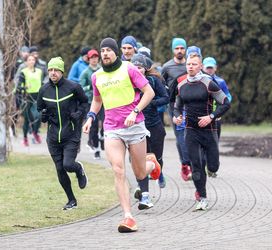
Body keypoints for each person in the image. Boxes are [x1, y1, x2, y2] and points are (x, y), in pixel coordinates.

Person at [82, 38, 161, 233]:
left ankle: (152, 164)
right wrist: (91, 117)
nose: (105, 53)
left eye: (109, 50)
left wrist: (135, 112)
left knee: (140, 173)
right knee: (118, 170)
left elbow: (149, 92)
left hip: (134, 127)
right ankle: (128, 216)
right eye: (103, 50)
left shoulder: (129, 69)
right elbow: (97, 100)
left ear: (116, 52)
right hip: (112, 129)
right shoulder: (96, 76)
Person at [174, 53, 230, 211]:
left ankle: (211, 169)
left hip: (209, 130)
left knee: (213, 166)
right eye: (188, 64)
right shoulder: (181, 85)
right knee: (196, 165)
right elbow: (177, 106)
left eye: (193, 64)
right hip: (191, 131)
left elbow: (225, 103)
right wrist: (176, 116)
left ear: (200, 66)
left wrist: (211, 116)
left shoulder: (209, 83)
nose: (190, 66)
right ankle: (202, 197)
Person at [37, 57, 88, 210]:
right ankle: (71, 200)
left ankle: (78, 169)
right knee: (60, 169)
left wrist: (79, 114)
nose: (53, 73)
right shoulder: (44, 90)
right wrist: (43, 116)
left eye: (56, 70)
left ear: (62, 71)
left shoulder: (73, 87)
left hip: (71, 133)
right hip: (53, 136)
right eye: (50, 70)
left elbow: (84, 102)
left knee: (68, 165)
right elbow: (40, 108)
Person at [131, 54, 169, 189]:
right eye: (135, 67)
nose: (137, 70)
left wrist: (151, 103)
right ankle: (141, 188)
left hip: (154, 125)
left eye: (140, 67)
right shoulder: (128, 82)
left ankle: (159, 172)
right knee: (140, 159)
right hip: (137, 126)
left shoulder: (153, 81)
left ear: (146, 68)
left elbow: (166, 97)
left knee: (157, 158)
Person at [161, 37, 192, 181]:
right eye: (177, 48)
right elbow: (161, 85)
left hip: (191, 105)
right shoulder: (167, 67)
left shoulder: (191, 65)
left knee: (192, 135)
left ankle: (193, 163)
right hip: (175, 106)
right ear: (173, 50)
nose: (179, 51)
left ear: (185, 49)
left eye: (182, 48)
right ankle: (185, 165)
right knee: (180, 137)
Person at [79, 49, 102, 159]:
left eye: (96, 57)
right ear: (88, 59)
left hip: (104, 101)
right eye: (92, 57)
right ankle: (96, 149)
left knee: (106, 121)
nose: (94, 59)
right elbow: (81, 88)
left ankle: (102, 137)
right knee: (94, 127)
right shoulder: (85, 73)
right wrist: (92, 86)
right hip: (91, 102)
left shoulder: (102, 70)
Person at [202, 56, 232, 139]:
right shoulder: (198, 80)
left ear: (215, 68)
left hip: (216, 116)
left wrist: (222, 105)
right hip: (202, 115)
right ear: (202, 67)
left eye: (211, 68)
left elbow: (228, 96)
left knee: (215, 141)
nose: (209, 70)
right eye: (207, 68)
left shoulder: (220, 81)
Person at [17, 54, 43, 146]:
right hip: (28, 97)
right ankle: (25, 138)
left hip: (38, 97)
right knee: (27, 119)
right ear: (26, 62)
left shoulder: (39, 71)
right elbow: (19, 87)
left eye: (33, 60)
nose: (31, 61)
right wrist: (25, 87)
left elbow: (43, 82)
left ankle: (35, 133)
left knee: (39, 116)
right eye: (29, 60)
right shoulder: (23, 72)